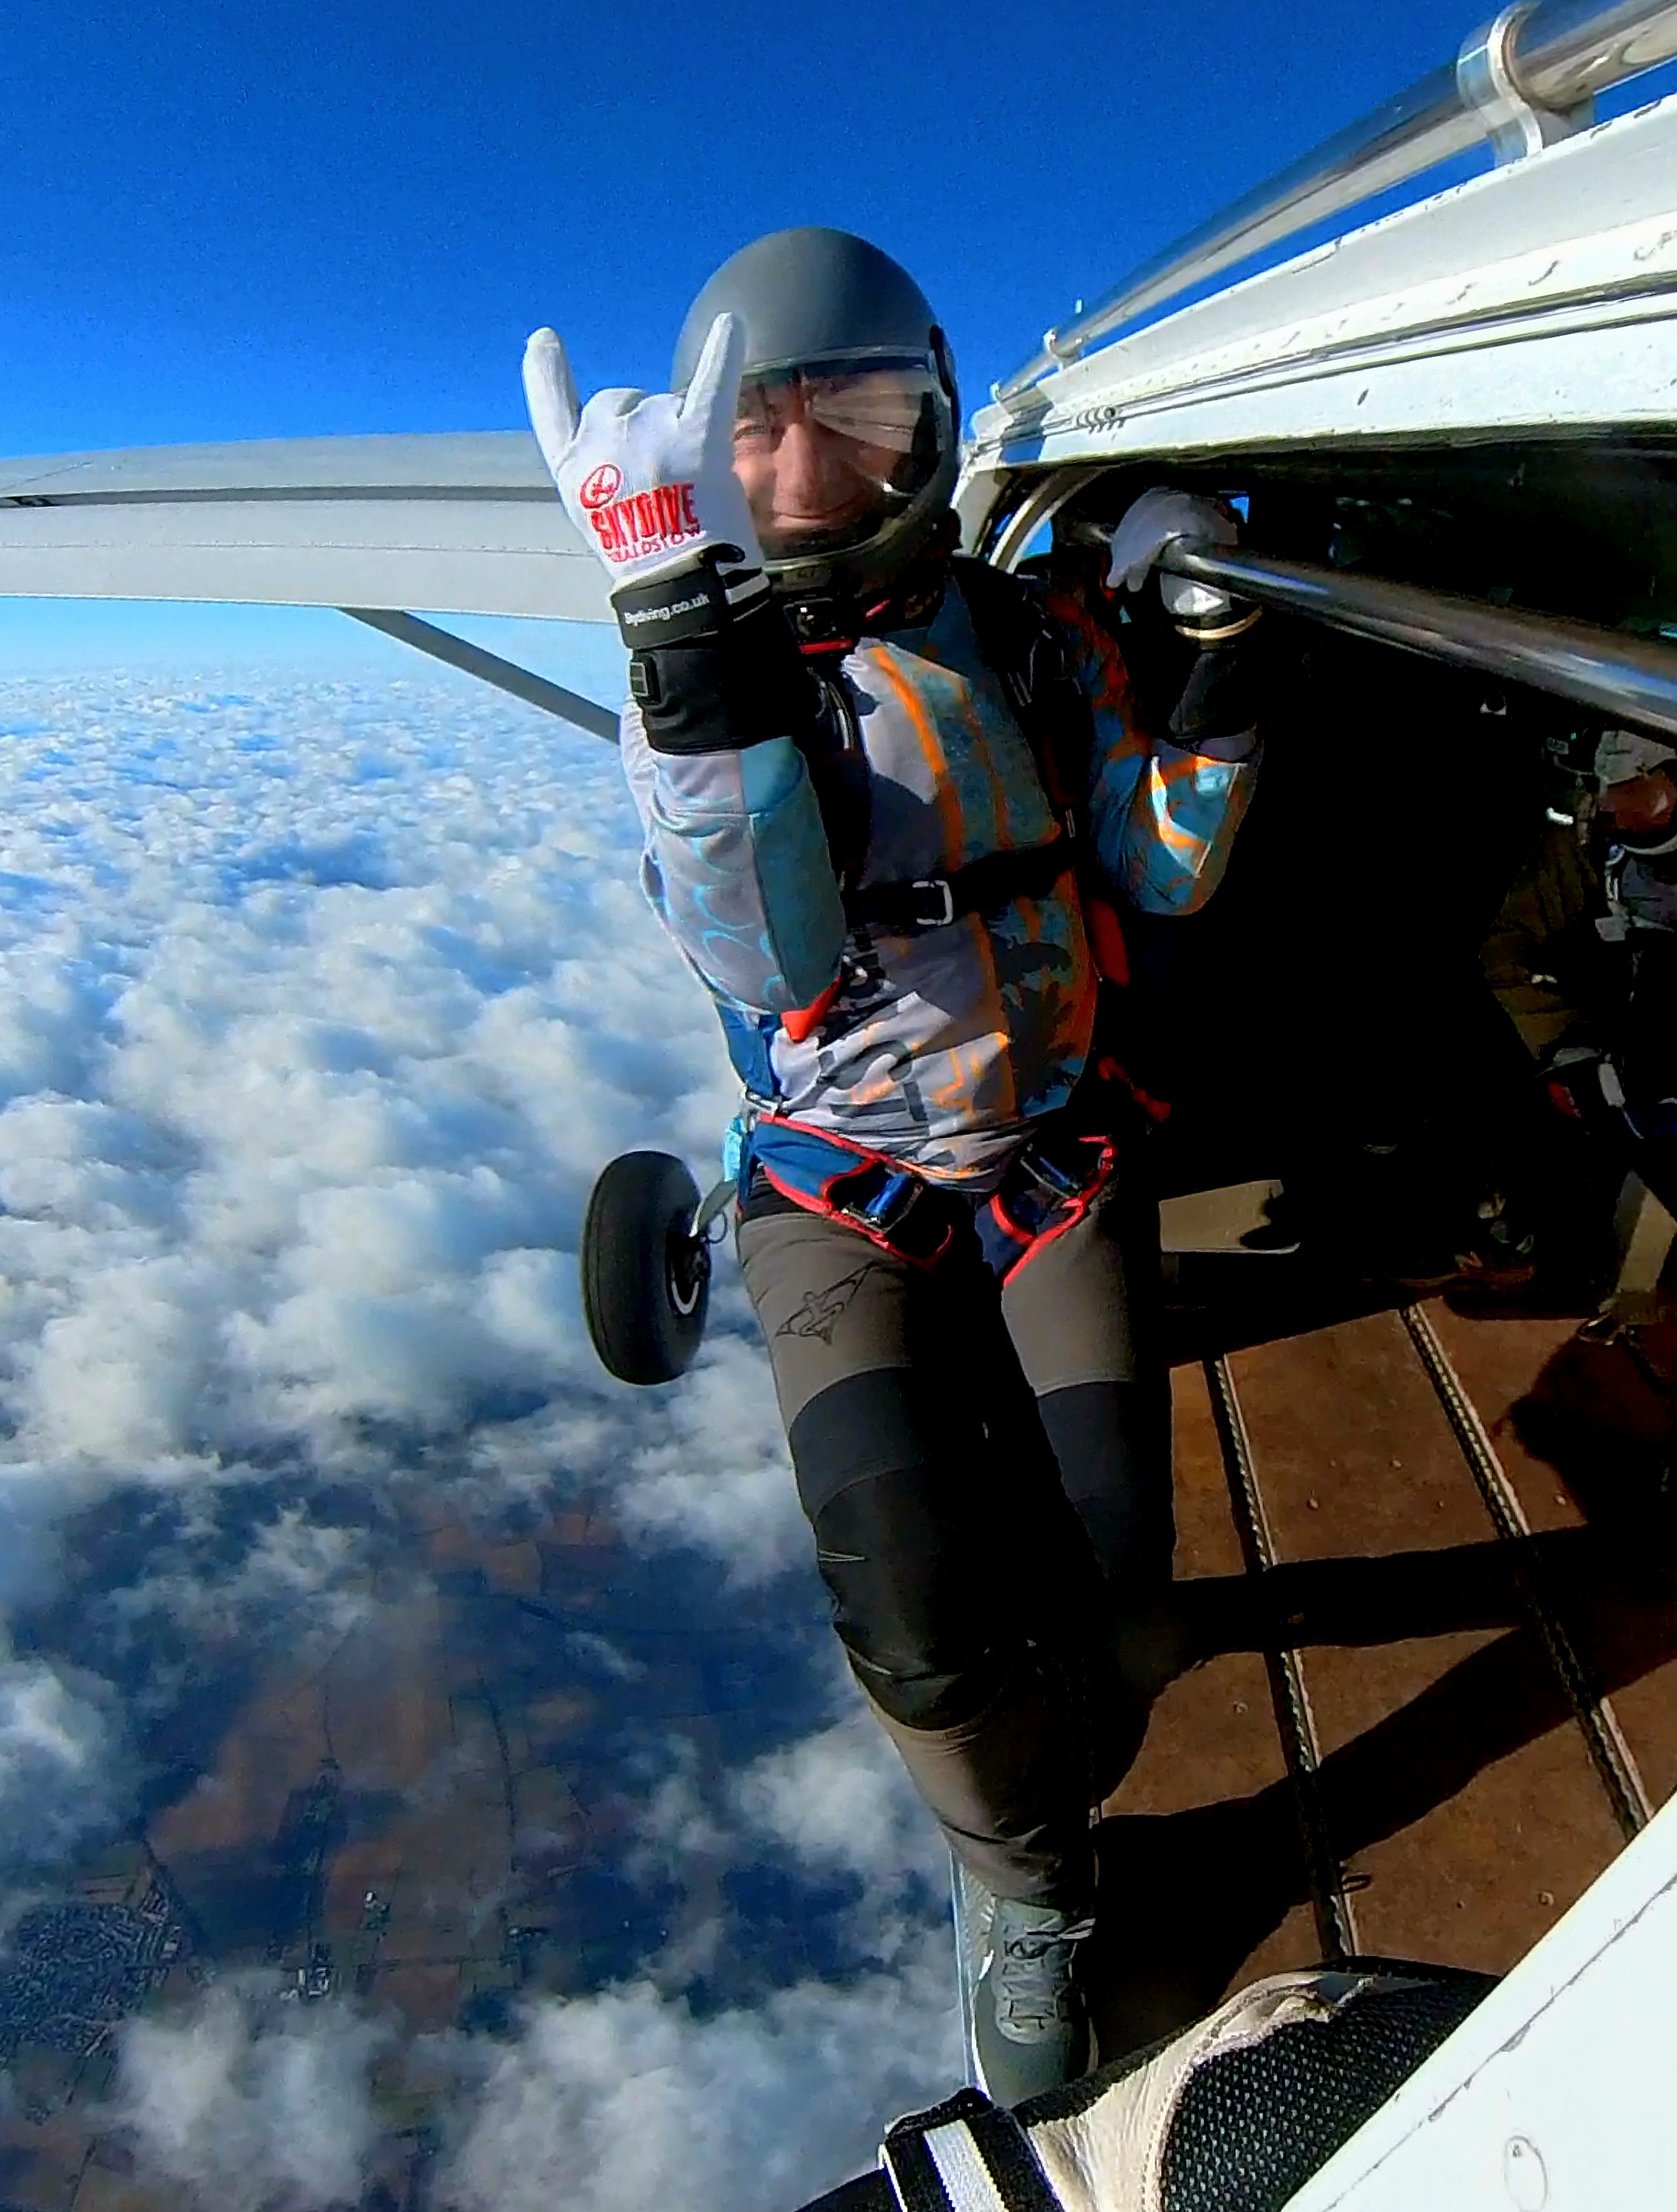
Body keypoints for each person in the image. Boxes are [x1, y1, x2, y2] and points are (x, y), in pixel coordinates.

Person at [523, 227, 1265, 2100]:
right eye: (759, 433)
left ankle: (1038, 1800)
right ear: (709, 469)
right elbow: (763, 949)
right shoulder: (706, 682)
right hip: (832, 1185)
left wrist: (1209, 665)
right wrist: (684, 655)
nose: (805, 471)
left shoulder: (1022, 638)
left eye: (850, 418)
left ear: (923, 427)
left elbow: (1158, 865)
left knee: (1127, 1618)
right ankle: (1026, 1889)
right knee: (914, 1612)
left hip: (1047, 1154)